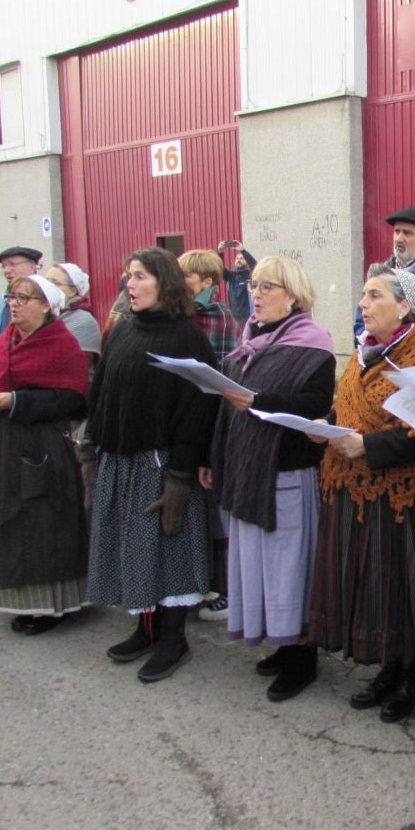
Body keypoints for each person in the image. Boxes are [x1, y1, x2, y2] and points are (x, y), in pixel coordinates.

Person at [308, 264, 415, 723]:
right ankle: (388, 667)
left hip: (401, 496)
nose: (363, 304)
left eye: (374, 296)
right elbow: (347, 404)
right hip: (354, 488)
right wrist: (326, 426)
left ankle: (411, 676)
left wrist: (366, 445)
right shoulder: (366, 353)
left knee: (399, 584)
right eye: (363, 296)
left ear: (404, 306)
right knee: (371, 584)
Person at [83, 248, 219, 684]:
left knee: (168, 552)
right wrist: (92, 448)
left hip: (160, 465)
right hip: (121, 460)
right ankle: (145, 628)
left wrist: (180, 475)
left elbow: (198, 410)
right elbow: (100, 392)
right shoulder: (123, 332)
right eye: (128, 277)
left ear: (164, 282)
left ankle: (172, 640)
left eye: (139, 276)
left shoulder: (187, 337)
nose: (129, 284)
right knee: (134, 551)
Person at [206, 256, 336, 702]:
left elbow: (315, 404)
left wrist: (260, 399)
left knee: (289, 570)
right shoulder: (250, 340)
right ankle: (280, 646)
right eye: (254, 286)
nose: (255, 294)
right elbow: (228, 410)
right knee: (261, 567)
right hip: (249, 471)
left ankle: (302, 659)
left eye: (267, 287)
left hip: (287, 472)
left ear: (294, 296)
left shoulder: (313, 344)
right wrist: (215, 457)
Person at [0, 275, 90, 635]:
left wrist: (17, 401)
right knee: (9, 520)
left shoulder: (61, 346)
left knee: (44, 523)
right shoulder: (0, 344)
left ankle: (54, 604)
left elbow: (73, 399)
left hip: (43, 445)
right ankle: (21, 601)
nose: (15, 303)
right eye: (12, 296)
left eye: (25, 298)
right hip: (3, 444)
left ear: (46, 305)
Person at [178, 249, 240, 623]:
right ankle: (203, 582)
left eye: (189, 277)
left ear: (207, 283)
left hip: (213, 423)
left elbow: (224, 382)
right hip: (185, 424)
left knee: (220, 512)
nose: (182, 283)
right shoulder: (180, 318)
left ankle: (227, 588)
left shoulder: (220, 320)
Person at [353, 205, 415, 345]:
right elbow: (361, 317)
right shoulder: (381, 274)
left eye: (407, 233)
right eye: (397, 232)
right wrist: (367, 340)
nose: (399, 238)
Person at [179, 249, 240, 365]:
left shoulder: (219, 315)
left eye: (186, 276)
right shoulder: (180, 310)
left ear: (206, 283)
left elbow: (221, 370)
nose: (179, 281)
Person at [44, 262, 101, 360]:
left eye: (55, 283)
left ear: (72, 291)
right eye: (46, 281)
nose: (48, 287)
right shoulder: (46, 314)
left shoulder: (82, 320)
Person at [0, 247, 42, 338]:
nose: (6, 271)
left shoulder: (45, 300)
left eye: (12, 264)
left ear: (32, 266)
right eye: (3, 266)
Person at [217, 240, 257, 326]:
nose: (239, 260)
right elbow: (219, 268)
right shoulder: (231, 276)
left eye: (242, 258)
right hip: (234, 318)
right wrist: (220, 252)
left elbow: (255, 265)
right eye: (237, 258)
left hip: (248, 318)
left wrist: (242, 250)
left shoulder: (251, 275)